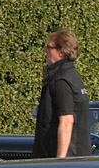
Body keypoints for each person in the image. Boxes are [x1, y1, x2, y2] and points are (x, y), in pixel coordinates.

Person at [32, 30, 92, 158]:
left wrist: (59, 164)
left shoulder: (61, 81)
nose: (45, 51)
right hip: (78, 160)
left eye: (49, 47)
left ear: (61, 52)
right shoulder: (72, 76)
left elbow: (66, 121)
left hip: (65, 164)